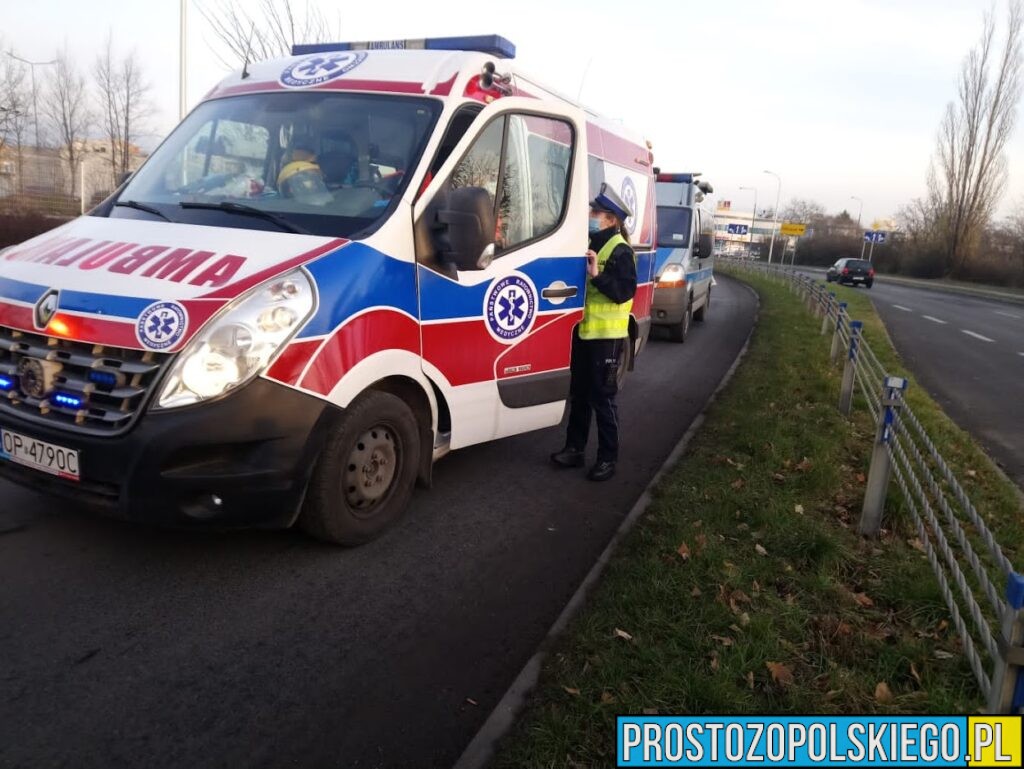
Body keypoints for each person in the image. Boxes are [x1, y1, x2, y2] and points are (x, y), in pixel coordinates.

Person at [551, 183, 637, 482]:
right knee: (580, 395)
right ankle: (574, 449)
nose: (591, 215)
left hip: (607, 338)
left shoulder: (620, 250)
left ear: (611, 219)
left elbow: (624, 292)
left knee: (603, 399)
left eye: (596, 212)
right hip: (584, 334)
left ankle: (607, 458)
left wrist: (598, 277)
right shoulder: (588, 242)